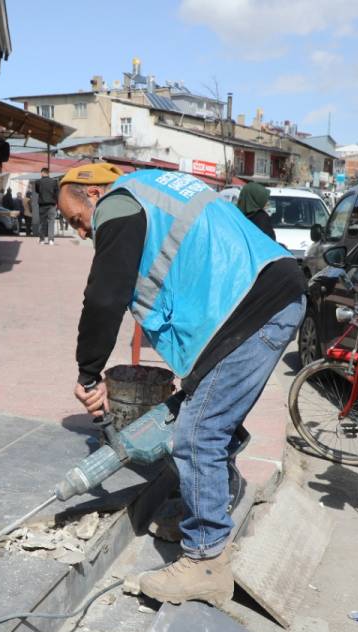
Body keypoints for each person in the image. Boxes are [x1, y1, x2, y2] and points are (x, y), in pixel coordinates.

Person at [58, 163, 306, 607]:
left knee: (196, 433)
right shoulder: (153, 186)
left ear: (92, 194)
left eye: (76, 219)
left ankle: (206, 561)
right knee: (207, 411)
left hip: (250, 308)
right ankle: (211, 510)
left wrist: (88, 371)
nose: (80, 233)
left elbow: (105, 295)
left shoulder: (118, 202)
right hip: (268, 293)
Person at [34, 167, 60, 244]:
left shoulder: (38, 182)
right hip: (52, 205)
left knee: (42, 222)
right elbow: (57, 194)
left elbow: (37, 191)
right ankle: (51, 240)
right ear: (48, 173)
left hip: (42, 205)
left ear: (42, 173)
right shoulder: (54, 182)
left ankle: (42, 240)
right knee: (51, 222)